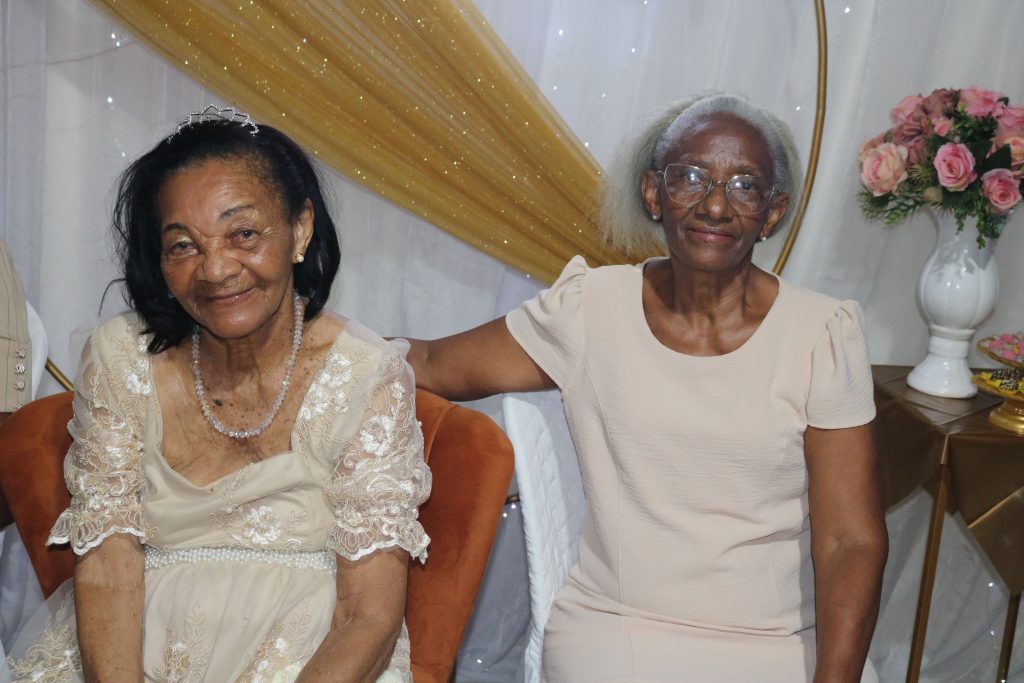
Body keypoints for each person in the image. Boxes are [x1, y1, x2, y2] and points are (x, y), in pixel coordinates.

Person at [406, 94, 888, 682]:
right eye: (691, 177)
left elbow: (850, 541)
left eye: (744, 185)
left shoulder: (822, 335)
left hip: (779, 639)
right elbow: (433, 362)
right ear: (654, 193)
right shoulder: (589, 309)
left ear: (773, 212)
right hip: (620, 626)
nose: (715, 205)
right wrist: (312, 339)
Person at [5, 108, 431, 683]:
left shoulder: (365, 373)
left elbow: (368, 616)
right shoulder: (119, 358)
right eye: (183, 245)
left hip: (313, 659)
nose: (214, 269)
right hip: (131, 652)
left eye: (243, 234)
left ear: (300, 229)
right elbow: (107, 564)